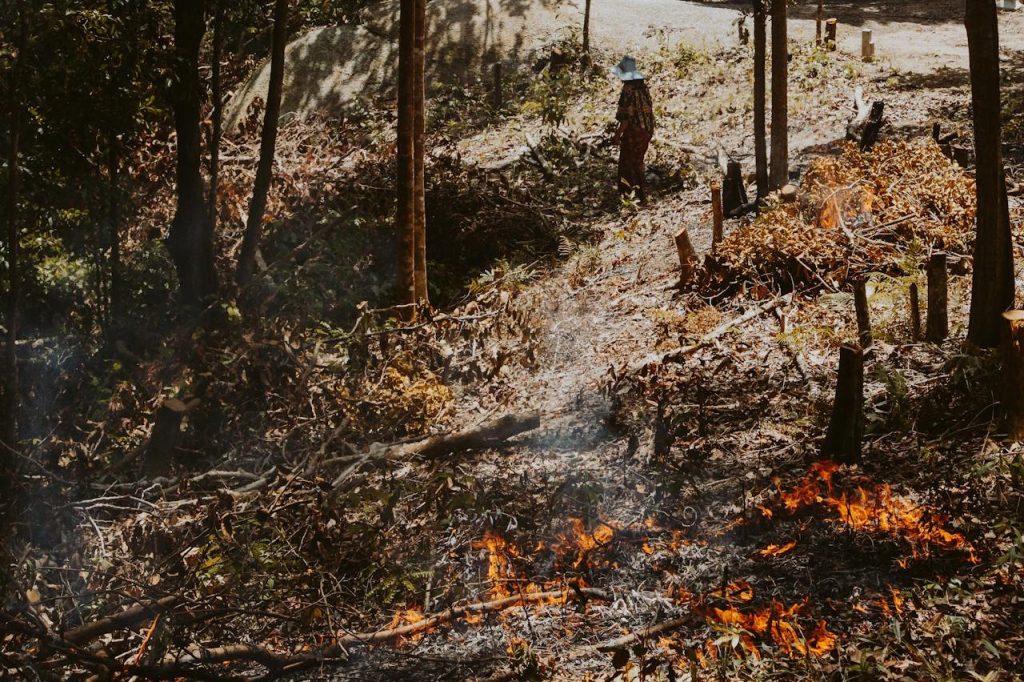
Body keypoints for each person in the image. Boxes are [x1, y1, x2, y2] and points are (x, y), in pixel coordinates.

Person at [610, 56, 655, 200]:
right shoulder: (643, 87)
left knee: (627, 163)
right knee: (638, 161)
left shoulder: (628, 90)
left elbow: (626, 118)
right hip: (647, 129)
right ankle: (641, 193)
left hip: (635, 130)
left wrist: (617, 135)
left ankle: (629, 196)